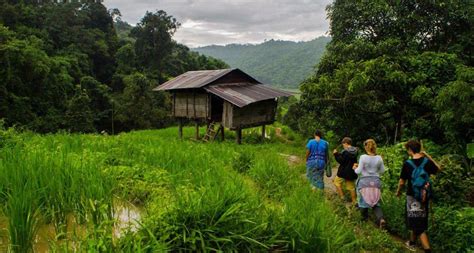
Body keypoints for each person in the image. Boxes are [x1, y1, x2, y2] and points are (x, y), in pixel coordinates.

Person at [396, 140, 440, 253]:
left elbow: (402, 182)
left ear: (410, 150)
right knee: (417, 218)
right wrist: (427, 156)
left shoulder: (407, 164)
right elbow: (438, 168)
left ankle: (427, 249)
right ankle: (412, 242)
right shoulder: (427, 162)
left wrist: (398, 192)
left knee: (417, 222)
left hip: (412, 195)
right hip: (425, 195)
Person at [354, 139, 386, 228]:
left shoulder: (363, 157)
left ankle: (364, 221)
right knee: (376, 202)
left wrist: (354, 168)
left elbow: (358, 171)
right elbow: (382, 170)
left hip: (364, 181)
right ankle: (381, 219)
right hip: (376, 181)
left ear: (365, 147)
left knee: (363, 201)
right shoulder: (379, 158)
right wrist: (375, 169)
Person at [333, 137, 358, 204]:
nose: (343, 146)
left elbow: (341, 161)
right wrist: (339, 154)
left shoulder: (346, 152)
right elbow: (347, 159)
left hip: (343, 172)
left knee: (336, 182)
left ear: (346, 143)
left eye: (343, 144)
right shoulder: (355, 151)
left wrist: (335, 154)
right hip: (351, 172)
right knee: (351, 187)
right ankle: (354, 202)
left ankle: (342, 197)